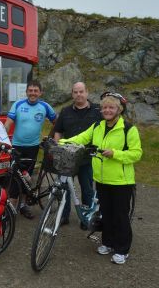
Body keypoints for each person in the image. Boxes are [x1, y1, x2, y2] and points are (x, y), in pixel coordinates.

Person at [60, 92, 142, 265]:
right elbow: (82, 138)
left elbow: (136, 154)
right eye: (104, 107)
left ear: (119, 109)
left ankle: (122, 250)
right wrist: (62, 142)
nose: (107, 110)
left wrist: (115, 154)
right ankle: (108, 242)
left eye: (111, 107)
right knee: (106, 213)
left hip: (121, 181)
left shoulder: (128, 129)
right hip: (102, 179)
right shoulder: (97, 126)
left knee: (120, 215)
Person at [5, 80, 57, 219]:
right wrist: (3, 139)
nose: (33, 93)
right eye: (30, 90)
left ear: (40, 93)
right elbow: (8, 123)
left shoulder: (45, 106)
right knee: (16, 176)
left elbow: (56, 122)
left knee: (26, 178)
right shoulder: (18, 104)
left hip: (33, 148)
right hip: (17, 147)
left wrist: (51, 137)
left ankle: (22, 205)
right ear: (27, 92)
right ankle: (11, 206)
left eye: (35, 91)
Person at [53, 82, 102, 227]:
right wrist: (57, 150)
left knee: (87, 189)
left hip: (87, 158)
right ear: (72, 94)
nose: (79, 94)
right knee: (64, 189)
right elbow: (58, 131)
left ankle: (86, 216)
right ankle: (64, 215)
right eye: (75, 92)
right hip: (68, 158)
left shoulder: (97, 111)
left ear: (87, 92)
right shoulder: (65, 111)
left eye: (81, 91)